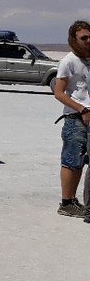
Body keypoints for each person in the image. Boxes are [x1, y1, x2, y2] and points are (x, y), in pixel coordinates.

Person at [52, 20, 90, 217]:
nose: (88, 41)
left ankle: (78, 201)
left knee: (83, 161)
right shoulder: (68, 61)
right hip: (76, 118)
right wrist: (81, 109)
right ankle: (67, 203)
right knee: (72, 160)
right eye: (84, 38)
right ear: (73, 39)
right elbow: (59, 92)